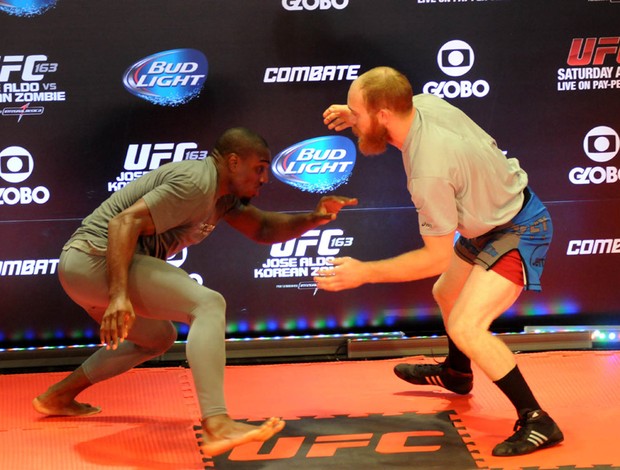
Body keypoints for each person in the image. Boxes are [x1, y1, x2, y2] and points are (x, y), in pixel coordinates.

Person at [33, 127, 357, 456]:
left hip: (86, 270)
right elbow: (123, 223)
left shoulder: (222, 197)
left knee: (158, 336)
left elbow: (261, 228)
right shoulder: (196, 183)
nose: (265, 178)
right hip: (94, 260)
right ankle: (217, 423)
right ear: (233, 162)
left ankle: (58, 396)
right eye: (259, 168)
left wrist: (314, 218)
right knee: (208, 304)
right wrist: (119, 297)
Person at [317, 66, 563, 456]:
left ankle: (537, 419)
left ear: (382, 114)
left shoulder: (428, 170)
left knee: (468, 325)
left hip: (519, 228)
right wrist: (358, 120)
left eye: (356, 111)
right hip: (487, 220)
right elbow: (389, 116)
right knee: (447, 292)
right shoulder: (422, 104)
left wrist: (365, 272)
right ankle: (457, 372)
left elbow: (435, 256)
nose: (352, 118)